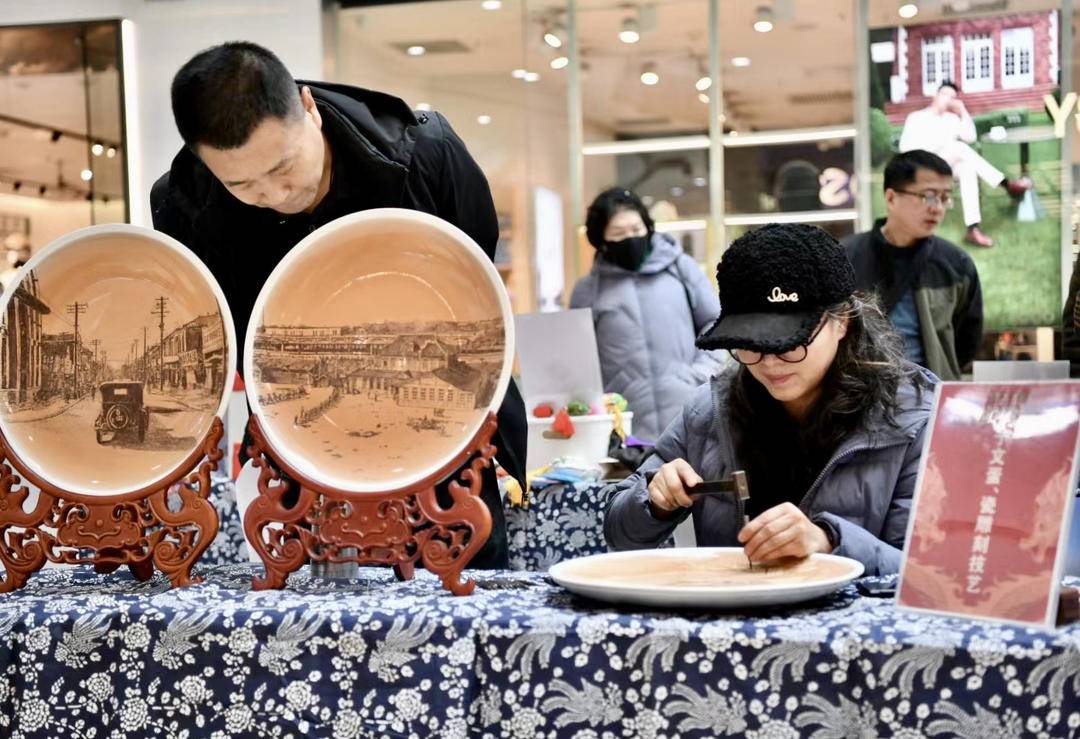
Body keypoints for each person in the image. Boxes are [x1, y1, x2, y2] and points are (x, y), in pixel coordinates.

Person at [150, 41, 525, 568]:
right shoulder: (182, 207)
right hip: (302, 454)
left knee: (465, 604)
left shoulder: (424, 153)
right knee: (315, 632)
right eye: (240, 183)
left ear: (308, 107)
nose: (273, 194)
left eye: (283, 167)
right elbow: (224, 336)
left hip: (445, 441)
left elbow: (477, 286)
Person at [604, 223, 935, 577]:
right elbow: (619, 535)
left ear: (843, 322)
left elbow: (931, 577)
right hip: (730, 627)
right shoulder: (710, 410)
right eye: (749, 343)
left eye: (791, 342)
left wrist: (830, 542)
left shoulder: (914, 417)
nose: (769, 361)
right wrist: (654, 502)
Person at [569, 188, 725, 441]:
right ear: (602, 241)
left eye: (636, 229)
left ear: (648, 227)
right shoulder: (588, 289)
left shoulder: (680, 268)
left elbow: (716, 322)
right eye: (618, 233)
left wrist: (699, 373)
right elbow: (577, 357)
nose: (630, 238)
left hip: (690, 413)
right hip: (625, 426)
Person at [842, 150, 983, 381]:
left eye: (945, 197)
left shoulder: (957, 265)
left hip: (931, 401)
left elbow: (966, 343)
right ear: (891, 198)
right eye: (928, 196)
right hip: (858, 401)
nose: (937, 208)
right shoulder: (847, 258)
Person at [898, 81, 1031, 248]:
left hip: (946, 165)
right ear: (936, 96)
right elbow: (905, 148)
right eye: (945, 95)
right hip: (922, 167)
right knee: (959, 148)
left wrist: (962, 111)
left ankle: (972, 228)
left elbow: (971, 137)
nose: (949, 100)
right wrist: (934, 147)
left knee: (968, 168)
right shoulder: (917, 117)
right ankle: (1007, 185)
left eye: (953, 97)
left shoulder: (952, 119)